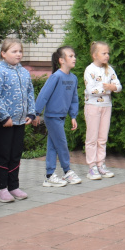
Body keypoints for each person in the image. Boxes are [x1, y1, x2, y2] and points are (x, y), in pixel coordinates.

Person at [0, 39, 39, 202]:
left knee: (15, 154)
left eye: (20, 51)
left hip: (20, 121)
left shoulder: (24, 72)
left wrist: (31, 113)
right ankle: (2, 188)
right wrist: (4, 117)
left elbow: (30, 92)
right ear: (3, 54)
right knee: (4, 154)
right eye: (14, 51)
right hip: (4, 123)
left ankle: (13, 185)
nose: (18, 54)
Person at [35, 46, 80, 187]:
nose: (74, 58)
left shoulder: (73, 78)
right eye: (70, 56)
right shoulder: (56, 76)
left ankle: (49, 175)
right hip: (52, 116)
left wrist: (73, 116)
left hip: (62, 116)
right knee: (61, 143)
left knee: (53, 145)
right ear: (61, 60)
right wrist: (36, 113)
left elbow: (74, 98)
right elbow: (43, 95)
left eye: (74, 56)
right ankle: (67, 171)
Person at [83, 41, 121, 180]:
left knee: (102, 138)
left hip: (106, 106)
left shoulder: (109, 70)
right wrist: (108, 88)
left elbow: (118, 86)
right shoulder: (89, 70)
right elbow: (91, 90)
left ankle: (101, 164)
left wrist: (112, 87)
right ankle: (92, 166)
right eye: (104, 53)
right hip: (93, 106)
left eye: (108, 53)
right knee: (92, 138)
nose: (107, 56)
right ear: (95, 55)